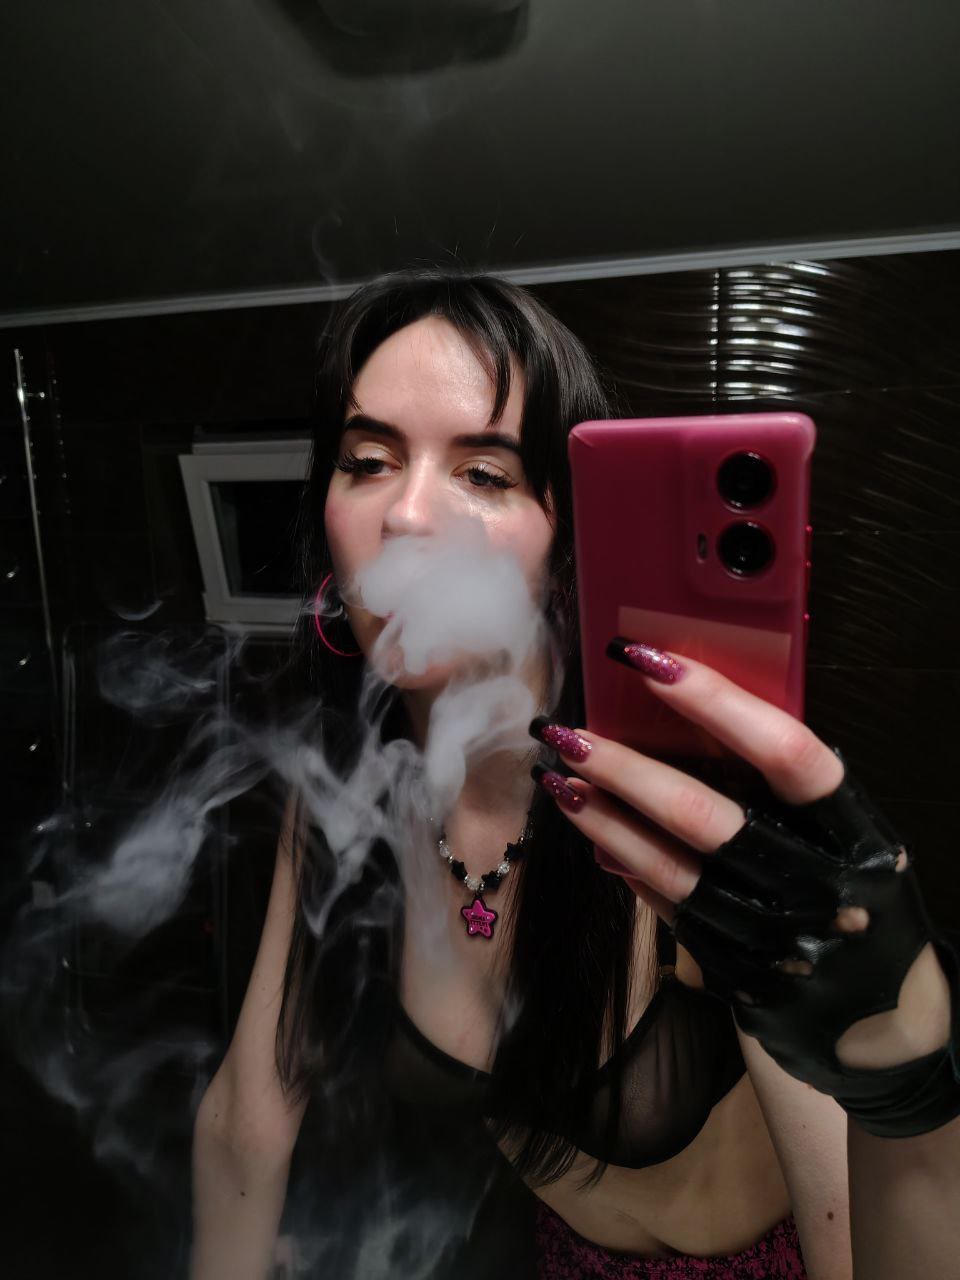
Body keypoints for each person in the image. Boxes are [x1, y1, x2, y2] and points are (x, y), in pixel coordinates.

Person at [190, 270, 960, 1280]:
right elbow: (247, 1115)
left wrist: (907, 1092)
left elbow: (852, 1244)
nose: (408, 514)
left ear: (565, 539)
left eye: (485, 473)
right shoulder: (341, 790)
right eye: (368, 461)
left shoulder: (682, 812)